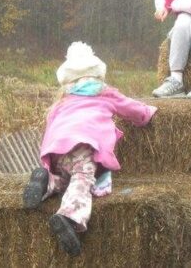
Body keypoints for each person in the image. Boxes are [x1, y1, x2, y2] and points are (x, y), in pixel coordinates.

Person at [23, 41, 157, 256]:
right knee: (83, 178)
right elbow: (132, 109)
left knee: (65, 179)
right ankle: (68, 215)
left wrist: (49, 159)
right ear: (97, 72)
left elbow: (51, 123)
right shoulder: (104, 92)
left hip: (57, 148)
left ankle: (46, 182)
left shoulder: (64, 97)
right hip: (84, 145)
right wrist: (147, 113)